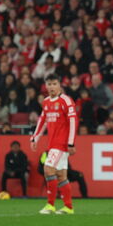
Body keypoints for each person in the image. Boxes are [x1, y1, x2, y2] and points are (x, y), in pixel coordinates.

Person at [30, 74, 77, 215]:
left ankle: (50, 205)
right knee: (61, 175)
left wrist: (71, 142)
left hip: (61, 143)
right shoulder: (46, 102)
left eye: (54, 84)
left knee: (48, 169)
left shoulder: (66, 100)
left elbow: (73, 121)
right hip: (52, 143)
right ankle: (68, 207)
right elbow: (42, 121)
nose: (51, 87)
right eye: (49, 84)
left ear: (59, 85)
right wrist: (35, 138)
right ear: (46, 86)